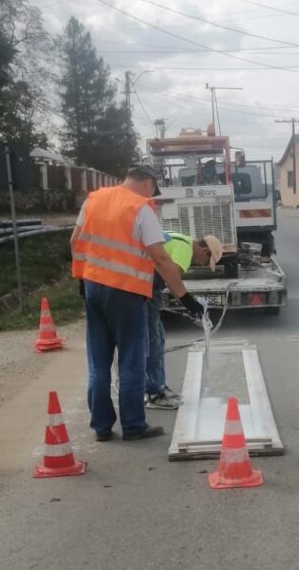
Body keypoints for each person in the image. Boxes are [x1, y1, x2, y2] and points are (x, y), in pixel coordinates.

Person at [70, 165, 203, 442]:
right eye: (154, 191)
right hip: (126, 293)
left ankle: (101, 427)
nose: (153, 196)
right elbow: (161, 258)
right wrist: (185, 298)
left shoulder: (94, 199)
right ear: (148, 183)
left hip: (93, 288)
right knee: (131, 360)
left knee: (98, 361)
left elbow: (75, 241)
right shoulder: (141, 207)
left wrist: (81, 279)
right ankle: (133, 425)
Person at [146, 232, 222, 409]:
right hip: (145, 289)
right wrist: (188, 302)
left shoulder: (180, 239)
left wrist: (189, 306)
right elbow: (171, 277)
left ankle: (158, 386)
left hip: (145, 286)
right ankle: (155, 394)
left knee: (157, 338)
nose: (201, 264)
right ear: (204, 250)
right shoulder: (185, 250)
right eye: (205, 261)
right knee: (153, 341)